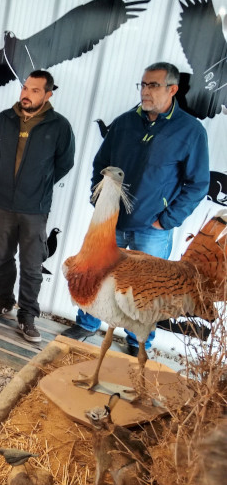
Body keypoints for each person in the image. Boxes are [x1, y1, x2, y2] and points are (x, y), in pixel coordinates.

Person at [62, 62, 210, 355]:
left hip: (151, 231)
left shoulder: (191, 131)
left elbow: (198, 184)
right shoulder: (125, 122)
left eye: (152, 85)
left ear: (172, 89)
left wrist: (166, 220)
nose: (145, 91)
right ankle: (87, 324)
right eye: (142, 85)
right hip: (112, 224)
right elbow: (100, 165)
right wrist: (99, 201)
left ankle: (136, 342)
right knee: (97, 275)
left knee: (145, 292)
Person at [0, 70, 75, 343]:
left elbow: (64, 163)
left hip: (34, 208)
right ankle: (3, 301)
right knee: (1, 257)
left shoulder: (59, 126)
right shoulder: (5, 118)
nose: (26, 93)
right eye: (25, 87)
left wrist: (38, 185)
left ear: (48, 95)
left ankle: (27, 316)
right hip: (3, 203)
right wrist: (8, 183)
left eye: (35, 90)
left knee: (32, 265)